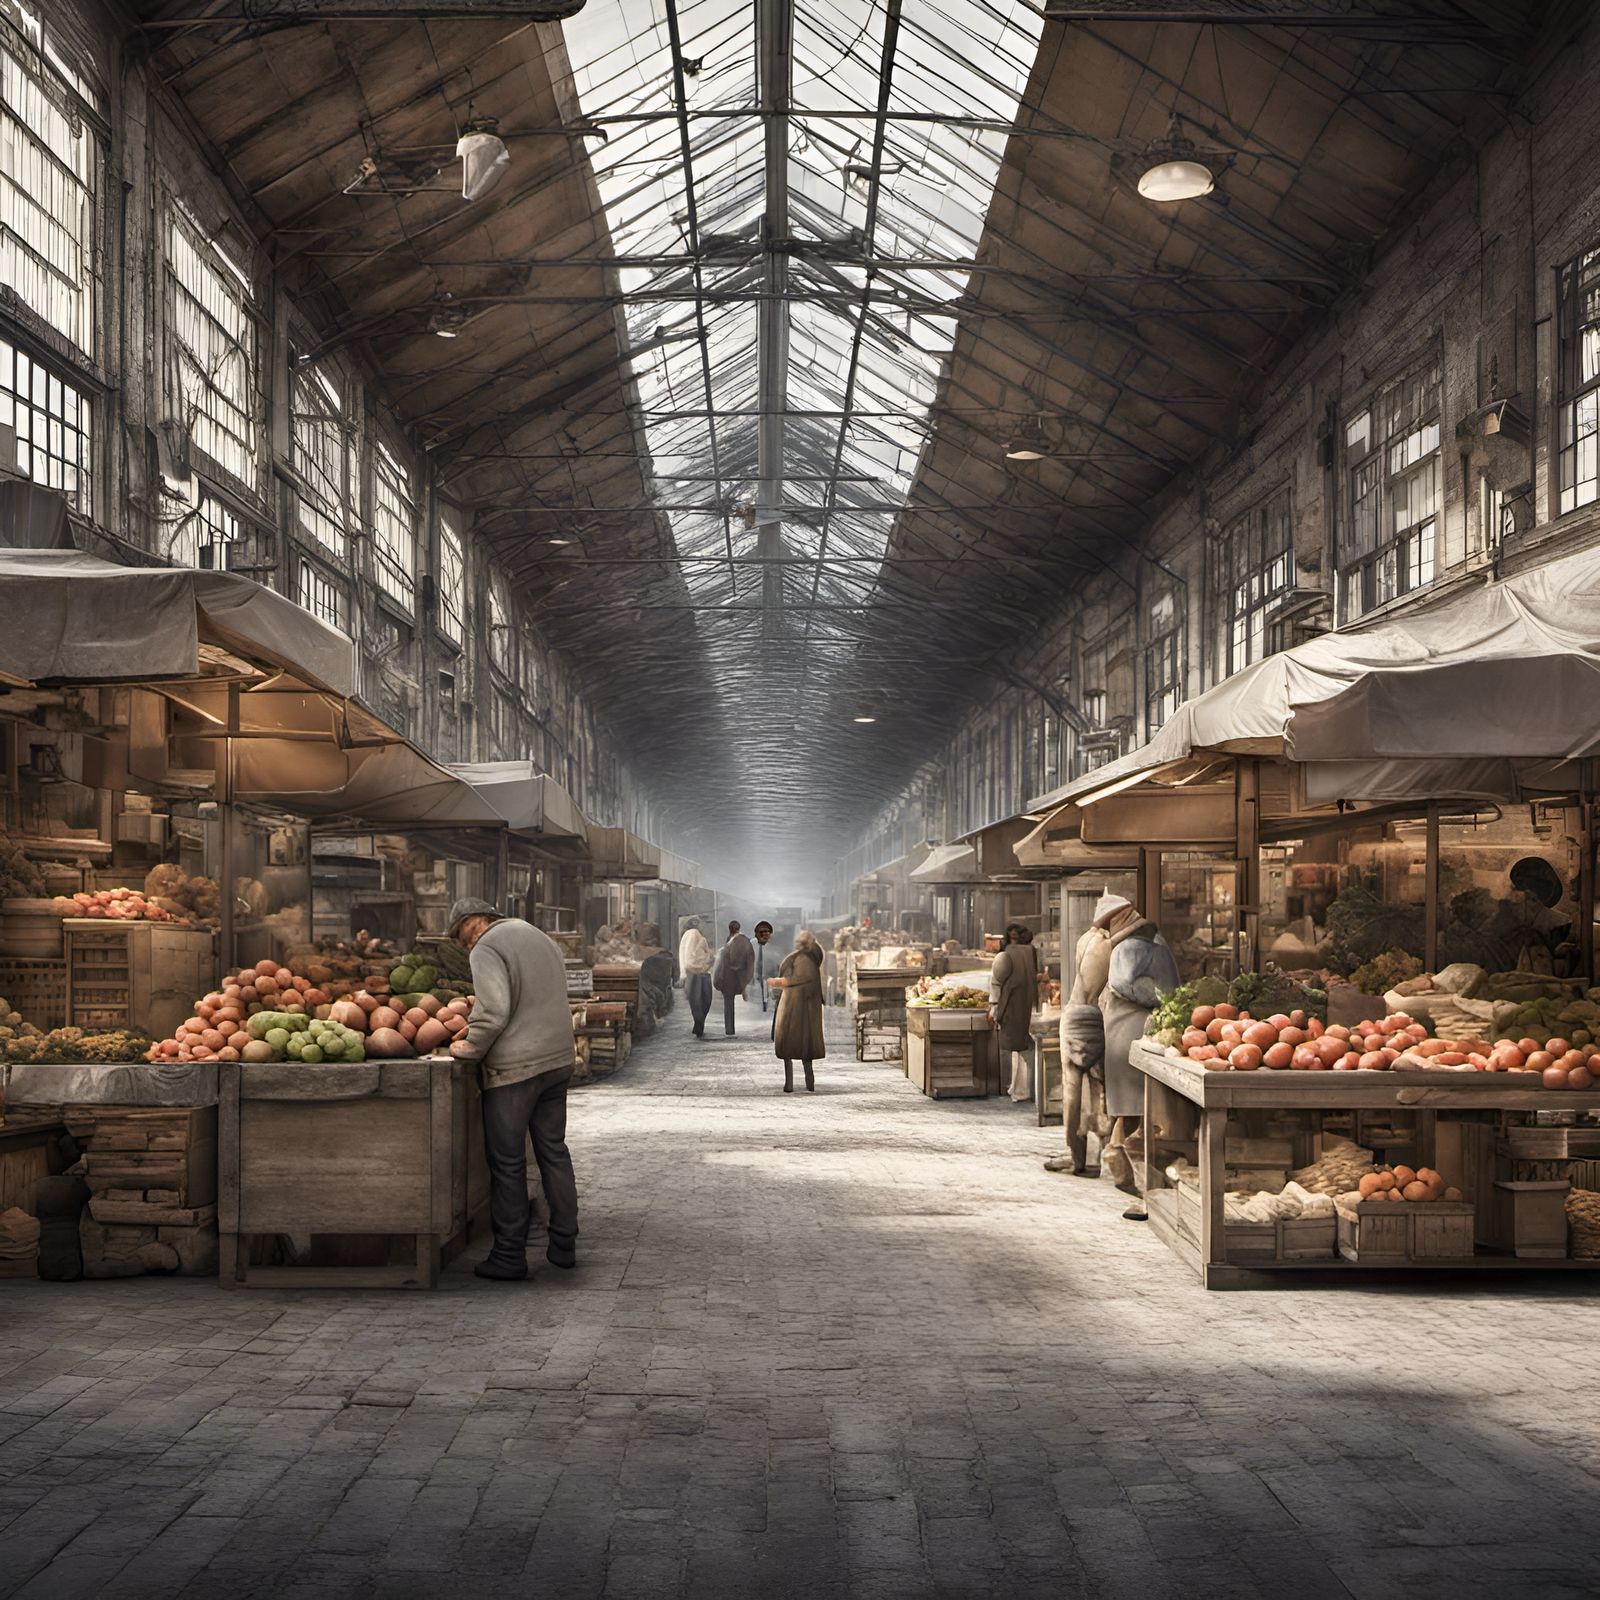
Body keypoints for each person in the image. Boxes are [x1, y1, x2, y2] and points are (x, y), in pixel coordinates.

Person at [446, 897, 579, 1281]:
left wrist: (471, 1046)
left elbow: (494, 1011)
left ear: (474, 921)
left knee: (508, 1163)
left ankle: (508, 1256)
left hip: (516, 1069)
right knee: (554, 1152)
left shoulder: (486, 946)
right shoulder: (537, 935)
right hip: (558, 1059)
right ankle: (564, 1242)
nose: (463, 944)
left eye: (460, 934)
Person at [1044, 891, 1178, 1221]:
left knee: (1099, 1097)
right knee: (1114, 1100)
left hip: (1104, 1024)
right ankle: (1105, 1157)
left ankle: (1090, 1157)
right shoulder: (1137, 943)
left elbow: (1120, 984)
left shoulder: (1114, 944)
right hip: (1112, 1025)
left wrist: (1156, 998)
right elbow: (1134, 985)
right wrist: (1163, 1000)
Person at [769, 929, 826, 1093]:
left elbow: (801, 978)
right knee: (803, 1049)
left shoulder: (803, 959)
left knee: (790, 1046)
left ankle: (792, 1084)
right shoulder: (808, 959)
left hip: (795, 1008)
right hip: (802, 1007)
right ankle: (808, 1082)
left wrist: (781, 981)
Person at [989, 923, 1040, 1102]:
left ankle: (1022, 1089)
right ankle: (1020, 1088)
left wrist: (994, 1007)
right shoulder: (1031, 952)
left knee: (1021, 1048)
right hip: (1027, 1003)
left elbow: (996, 982)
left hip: (1012, 1005)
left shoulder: (1005, 956)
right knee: (1023, 1047)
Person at [712, 920, 755, 1037]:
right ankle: (730, 1030)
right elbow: (750, 960)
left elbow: (725, 960)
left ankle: (729, 1030)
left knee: (728, 1003)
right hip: (740, 976)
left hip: (728, 977)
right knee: (729, 1002)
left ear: (729, 929)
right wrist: (748, 977)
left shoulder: (729, 942)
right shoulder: (746, 941)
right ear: (739, 928)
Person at [678, 917, 713, 1038]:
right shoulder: (692, 934)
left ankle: (699, 1025)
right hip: (695, 972)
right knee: (700, 1000)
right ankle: (699, 1025)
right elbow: (689, 956)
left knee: (700, 1001)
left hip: (700, 971)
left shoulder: (695, 935)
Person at [749, 921, 776, 1013]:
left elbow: (775, 961)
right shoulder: (752, 944)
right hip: (755, 973)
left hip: (767, 974)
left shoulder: (772, 946)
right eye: (761, 933)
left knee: (766, 990)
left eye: (766, 933)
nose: (764, 935)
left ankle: (765, 1003)